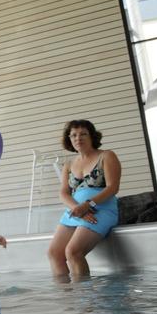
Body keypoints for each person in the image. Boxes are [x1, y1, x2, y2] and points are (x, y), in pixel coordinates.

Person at [48, 119, 121, 280]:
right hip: (75, 211)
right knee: (54, 253)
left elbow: (112, 188)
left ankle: (85, 300)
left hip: (101, 210)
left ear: (92, 136)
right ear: (69, 139)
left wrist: (88, 205)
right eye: (73, 135)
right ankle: (68, 299)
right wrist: (78, 209)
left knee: (73, 252)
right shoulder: (68, 164)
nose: (78, 138)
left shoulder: (106, 156)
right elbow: (63, 193)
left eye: (83, 134)